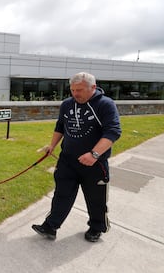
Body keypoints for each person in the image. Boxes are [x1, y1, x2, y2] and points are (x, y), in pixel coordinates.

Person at [32, 72, 121, 242]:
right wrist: (52, 145)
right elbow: (60, 126)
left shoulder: (105, 105)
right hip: (67, 161)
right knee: (61, 194)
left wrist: (94, 154)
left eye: (79, 90)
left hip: (95, 164)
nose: (75, 94)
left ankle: (97, 227)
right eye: (72, 90)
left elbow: (113, 132)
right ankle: (51, 226)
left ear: (93, 88)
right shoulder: (67, 104)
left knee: (96, 199)